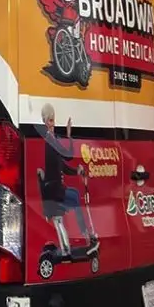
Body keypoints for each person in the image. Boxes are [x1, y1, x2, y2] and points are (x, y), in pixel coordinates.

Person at [38, 103, 94, 243]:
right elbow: (68, 155)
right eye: (50, 120)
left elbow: (63, 166)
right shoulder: (49, 140)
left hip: (55, 188)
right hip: (54, 190)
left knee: (75, 194)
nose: (53, 124)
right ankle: (85, 234)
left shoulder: (52, 140)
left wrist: (76, 171)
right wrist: (69, 135)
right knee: (75, 197)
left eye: (53, 120)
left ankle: (85, 234)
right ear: (44, 122)